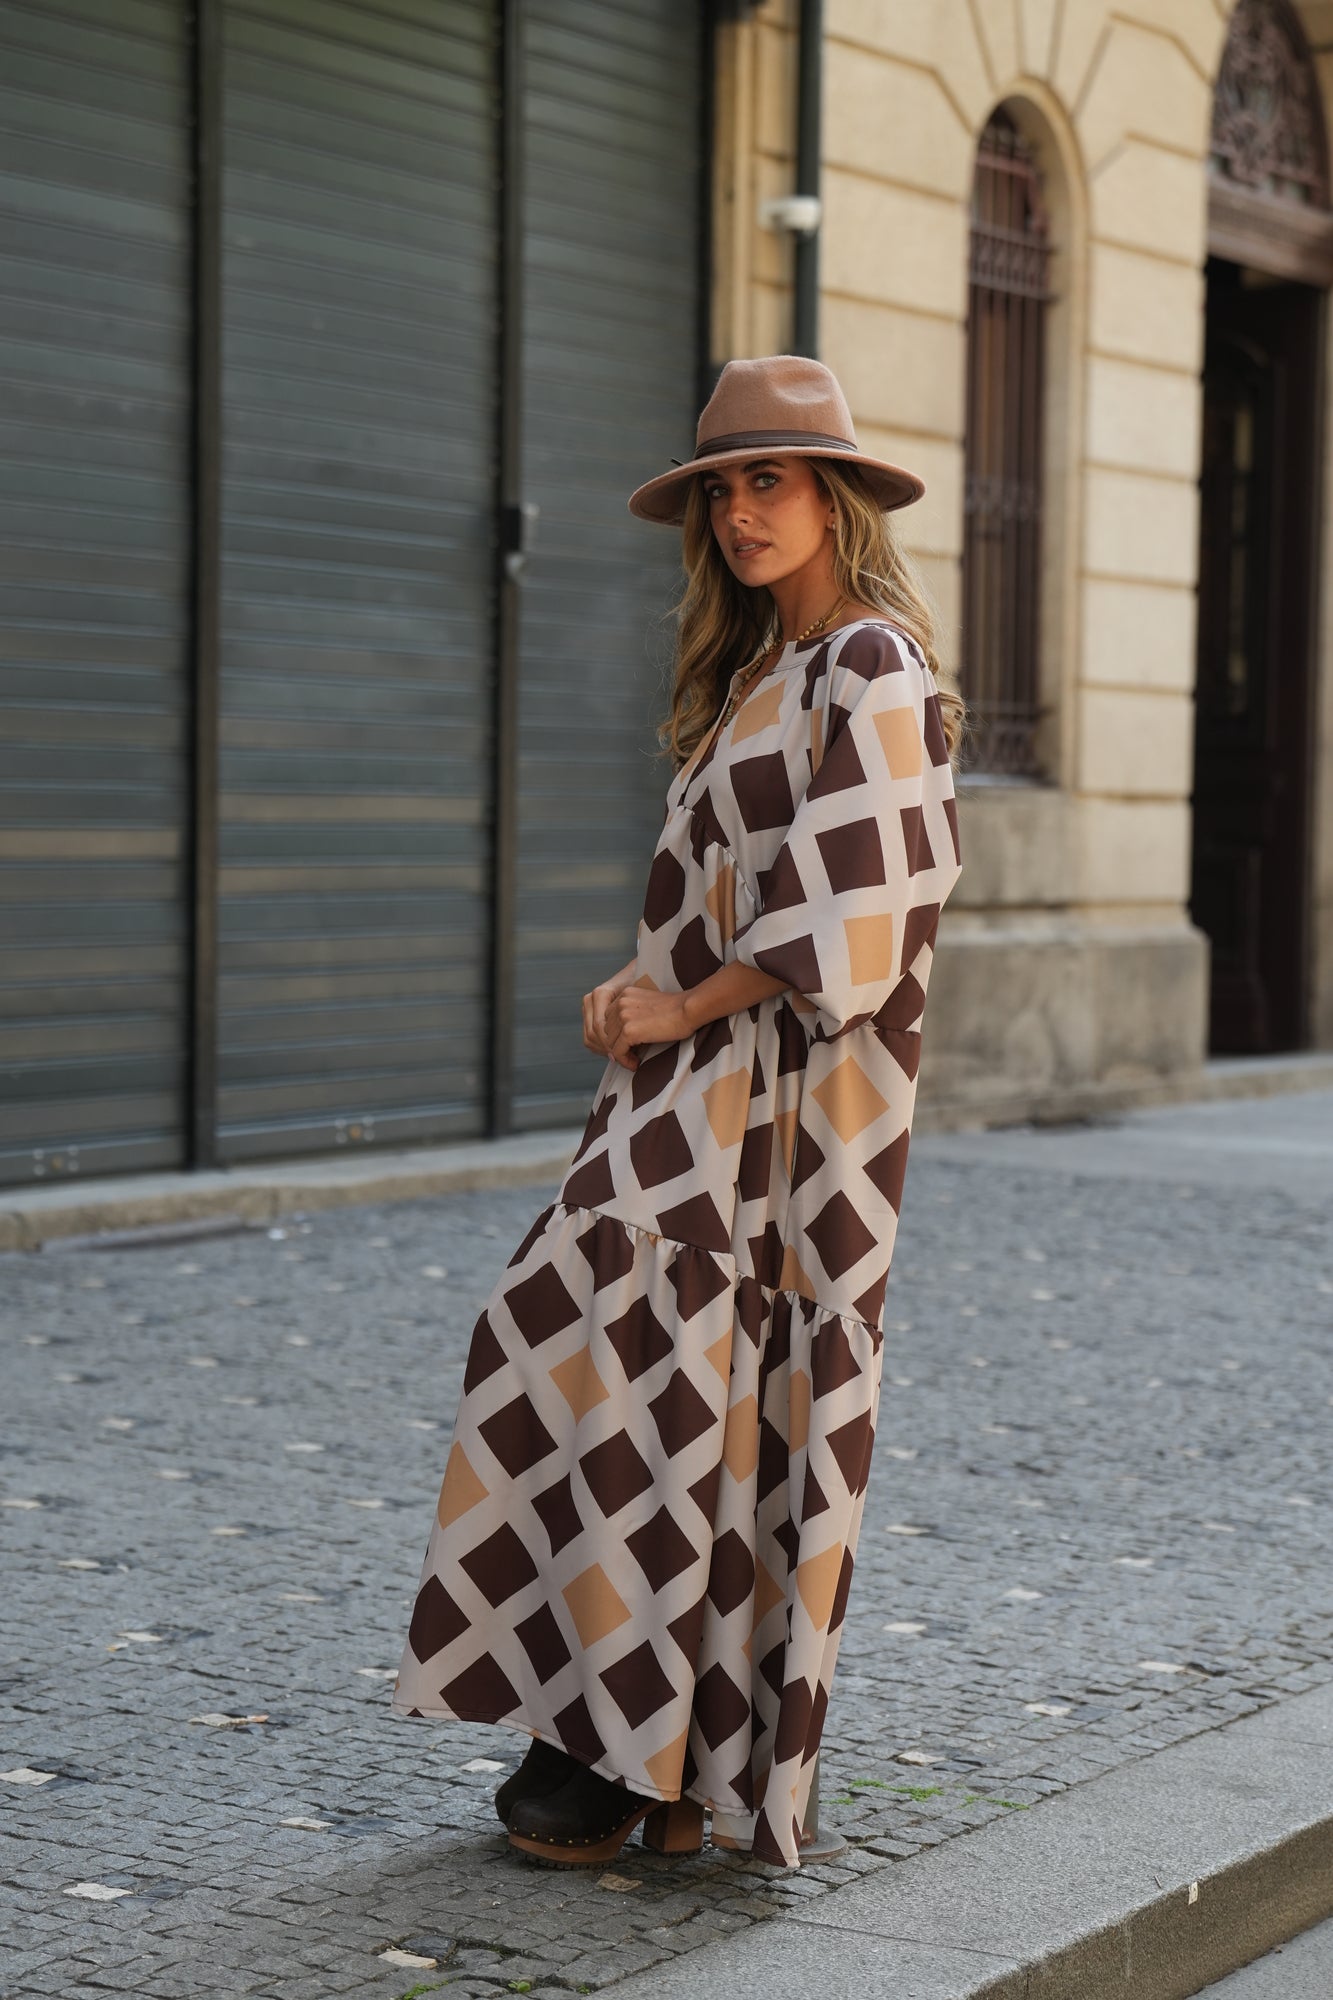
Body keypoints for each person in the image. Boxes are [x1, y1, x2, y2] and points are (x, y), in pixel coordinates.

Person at [391, 354, 965, 1871]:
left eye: (769, 482)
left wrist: (684, 1004)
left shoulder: (873, 664)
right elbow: (723, 898)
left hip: (794, 1109)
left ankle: (625, 1749)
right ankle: (626, 1738)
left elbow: (861, 909)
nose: (739, 514)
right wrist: (636, 994)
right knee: (624, 1360)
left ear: (835, 497)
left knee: (654, 1361)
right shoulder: (762, 675)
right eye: (720, 491)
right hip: (697, 1086)